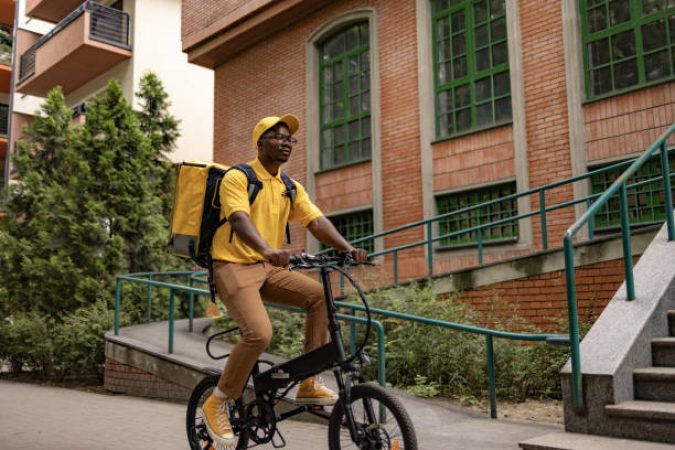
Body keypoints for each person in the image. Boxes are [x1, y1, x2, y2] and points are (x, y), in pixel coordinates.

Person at [201, 114, 368, 448]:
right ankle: (218, 400)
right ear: (260, 143)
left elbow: (315, 221)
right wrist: (266, 248)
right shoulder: (238, 177)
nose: (286, 142)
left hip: (269, 267)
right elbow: (237, 218)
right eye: (277, 136)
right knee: (259, 333)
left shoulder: (289, 187)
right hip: (233, 265)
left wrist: (348, 249)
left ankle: (308, 383)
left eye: (290, 138)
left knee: (320, 297)